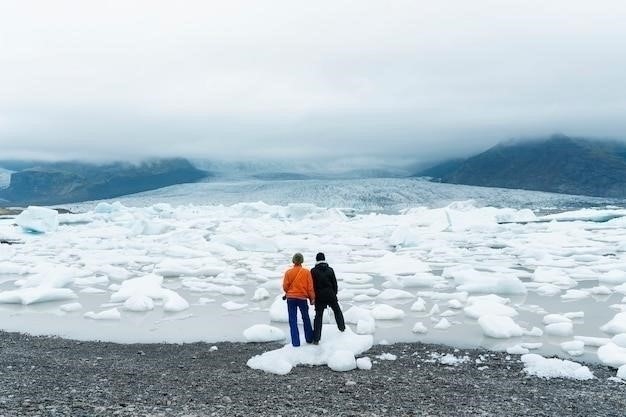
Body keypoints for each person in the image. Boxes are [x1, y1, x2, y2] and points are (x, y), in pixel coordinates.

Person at [310, 252, 345, 344]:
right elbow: (335, 284)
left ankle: (316, 339)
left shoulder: (313, 271)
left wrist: (313, 297)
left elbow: (312, 285)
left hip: (319, 296)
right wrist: (334, 293)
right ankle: (342, 328)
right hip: (330, 294)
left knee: (318, 316)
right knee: (337, 311)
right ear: (324, 259)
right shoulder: (330, 270)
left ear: (317, 260)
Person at [282, 252, 315, 347]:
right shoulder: (306, 272)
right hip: (302, 299)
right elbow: (310, 287)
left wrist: (290, 291)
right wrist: (312, 298)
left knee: (293, 320)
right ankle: (309, 338)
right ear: (302, 260)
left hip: (291, 299)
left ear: (293, 260)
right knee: (305, 318)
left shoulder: (288, 272)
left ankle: (296, 343)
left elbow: (285, 287)